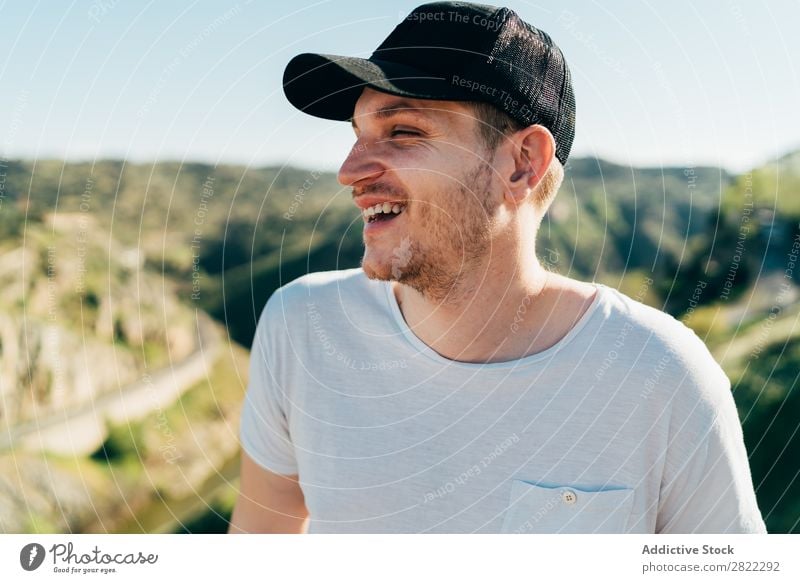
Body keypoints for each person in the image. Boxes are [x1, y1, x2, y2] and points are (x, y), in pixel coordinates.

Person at [228, 1, 766, 534]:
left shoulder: (661, 376)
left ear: (521, 162)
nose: (350, 172)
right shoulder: (301, 326)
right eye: (357, 136)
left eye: (403, 132)